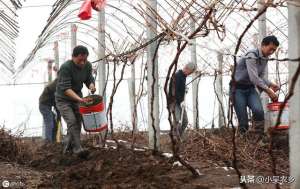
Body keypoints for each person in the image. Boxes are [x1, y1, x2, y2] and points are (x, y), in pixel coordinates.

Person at [230, 35, 280, 134]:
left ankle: (258, 138)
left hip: (250, 89)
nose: (271, 52)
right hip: (237, 89)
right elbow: (254, 78)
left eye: (273, 50)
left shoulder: (265, 58)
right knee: (243, 121)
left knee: (259, 111)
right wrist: (269, 91)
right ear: (263, 45)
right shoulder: (251, 55)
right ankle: (242, 142)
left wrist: (271, 84)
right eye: (270, 49)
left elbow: (260, 76)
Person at [55, 45, 96, 156]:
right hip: (63, 99)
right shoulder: (66, 68)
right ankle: (78, 148)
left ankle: (67, 145)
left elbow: (89, 78)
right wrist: (80, 100)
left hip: (77, 96)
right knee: (72, 121)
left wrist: (91, 85)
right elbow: (66, 89)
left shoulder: (87, 65)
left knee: (78, 121)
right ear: (73, 57)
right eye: (80, 60)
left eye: (85, 60)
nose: (82, 63)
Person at [169, 62, 197, 136]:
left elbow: (179, 89)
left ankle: (178, 138)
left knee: (185, 121)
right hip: (174, 102)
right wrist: (180, 101)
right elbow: (174, 91)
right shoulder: (177, 76)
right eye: (190, 72)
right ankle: (174, 139)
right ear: (187, 68)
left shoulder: (183, 76)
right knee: (177, 121)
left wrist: (184, 90)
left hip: (180, 103)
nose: (189, 74)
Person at [39, 79, 59, 143]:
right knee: (49, 122)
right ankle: (48, 141)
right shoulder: (55, 85)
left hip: (48, 106)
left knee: (54, 123)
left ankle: (53, 141)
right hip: (44, 106)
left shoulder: (58, 83)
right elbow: (56, 99)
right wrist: (58, 111)